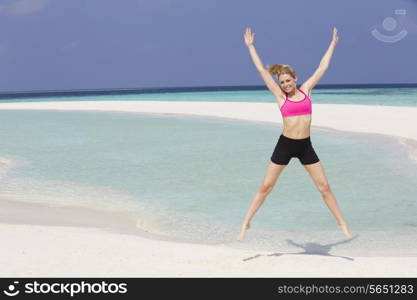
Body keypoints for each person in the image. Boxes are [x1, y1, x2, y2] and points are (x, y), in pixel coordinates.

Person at [237, 27, 352, 241]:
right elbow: (263, 72)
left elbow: (323, 67)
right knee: (266, 186)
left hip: (305, 146)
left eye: (288, 81)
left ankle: (342, 223)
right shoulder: (281, 97)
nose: (286, 85)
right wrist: (251, 47)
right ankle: (246, 222)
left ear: (295, 79)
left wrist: (333, 45)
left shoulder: (306, 90)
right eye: (282, 82)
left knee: (324, 187)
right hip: (285, 144)